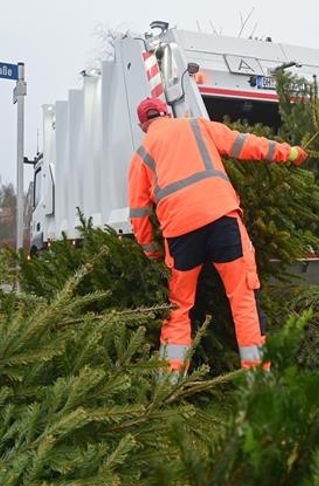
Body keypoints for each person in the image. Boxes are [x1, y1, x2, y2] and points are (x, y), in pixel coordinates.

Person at [128, 97, 308, 373]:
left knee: (178, 310)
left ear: (143, 126)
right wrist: (290, 153)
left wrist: (151, 250)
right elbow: (246, 144)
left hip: (180, 234)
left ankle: (168, 385)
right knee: (243, 301)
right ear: (167, 114)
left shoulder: (141, 154)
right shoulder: (196, 126)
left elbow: (139, 214)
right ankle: (257, 383)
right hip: (223, 220)